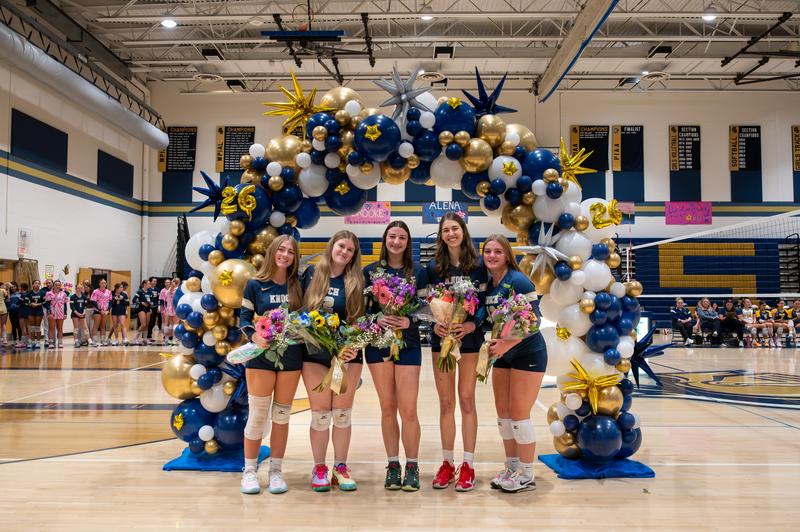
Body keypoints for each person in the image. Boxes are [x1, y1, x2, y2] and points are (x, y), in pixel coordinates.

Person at [477, 234, 547, 493]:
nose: (492, 255)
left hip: (529, 353)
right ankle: (511, 466)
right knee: (504, 415)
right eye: (488, 251)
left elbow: (536, 320)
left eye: (497, 251)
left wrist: (507, 343)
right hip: (504, 356)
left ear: (507, 255)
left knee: (519, 415)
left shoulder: (517, 280)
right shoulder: (489, 285)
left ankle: (527, 474)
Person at [363, 221, 428, 492]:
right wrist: (378, 318)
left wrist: (408, 323)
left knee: (408, 409)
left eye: (402, 237)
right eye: (392, 236)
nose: (397, 241)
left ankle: (412, 465)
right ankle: (393, 465)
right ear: (385, 239)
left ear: (408, 242)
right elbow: (361, 312)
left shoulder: (419, 273)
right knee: (387, 408)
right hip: (378, 346)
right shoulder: (370, 272)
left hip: (409, 345)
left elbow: (428, 311)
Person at [425, 212, 487, 491]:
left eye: (455, 228)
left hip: (470, 342)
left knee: (466, 400)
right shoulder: (432, 268)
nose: (450, 233)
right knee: (446, 403)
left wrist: (474, 323)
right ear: (441, 235)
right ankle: (447, 463)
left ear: (463, 231)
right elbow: (423, 304)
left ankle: (468, 465)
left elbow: (487, 303)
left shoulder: (479, 267)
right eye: (445, 230)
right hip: (442, 342)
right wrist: (433, 323)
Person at [238, 235, 305, 495]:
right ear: (272, 252)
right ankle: (249, 471)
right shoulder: (255, 284)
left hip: (291, 356)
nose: (285, 255)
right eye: (281, 250)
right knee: (257, 414)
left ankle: (276, 471)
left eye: (290, 251)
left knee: (281, 415)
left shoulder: (298, 284)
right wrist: (254, 335)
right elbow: (244, 318)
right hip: (261, 357)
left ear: (294, 257)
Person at [301, 230, 365, 492]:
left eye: (350, 250)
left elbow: (362, 322)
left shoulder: (357, 281)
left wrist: (352, 347)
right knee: (320, 415)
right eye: (341, 246)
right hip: (315, 356)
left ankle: (340, 466)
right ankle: (319, 468)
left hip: (346, 358)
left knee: (341, 414)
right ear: (332, 246)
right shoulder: (310, 275)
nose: (345, 252)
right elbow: (300, 315)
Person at [44, 280, 68, 349]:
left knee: (60, 328)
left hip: (60, 312)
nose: (57, 286)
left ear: (60, 286)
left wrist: (65, 313)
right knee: (51, 328)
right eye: (56, 285)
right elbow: (47, 304)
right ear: (53, 285)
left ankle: (60, 342)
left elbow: (65, 304)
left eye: (59, 285)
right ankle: (51, 343)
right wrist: (49, 312)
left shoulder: (64, 294)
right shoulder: (49, 293)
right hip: (52, 312)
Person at [90, 279, 112, 346]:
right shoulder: (95, 291)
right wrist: (100, 310)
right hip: (97, 311)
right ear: (99, 284)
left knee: (103, 326)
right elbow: (94, 301)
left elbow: (110, 302)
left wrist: (108, 310)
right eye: (102, 283)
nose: (103, 284)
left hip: (105, 311)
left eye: (104, 283)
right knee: (96, 325)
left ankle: (103, 340)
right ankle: (94, 341)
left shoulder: (108, 292)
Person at [131, 280, 151, 346]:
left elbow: (150, 300)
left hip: (148, 309)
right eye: (148, 283)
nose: (149, 284)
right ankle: (135, 338)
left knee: (147, 325)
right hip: (141, 309)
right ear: (144, 284)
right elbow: (133, 300)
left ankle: (145, 339)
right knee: (143, 324)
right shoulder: (140, 291)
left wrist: (151, 304)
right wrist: (141, 302)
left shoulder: (149, 291)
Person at [27, 280, 46, 349]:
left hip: (39, 311)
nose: (37, 285)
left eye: (38, 283)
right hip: (30, 311)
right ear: (33, 285)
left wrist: (38, 304)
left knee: (37, 326)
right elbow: (26, 302)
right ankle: (32, 342)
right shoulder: (29, 293)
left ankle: (38, 342)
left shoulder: (42, 293)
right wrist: (30, 304)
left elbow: (45, 302)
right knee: (32, 327)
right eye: (35, 283)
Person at [160, 278, 179, 345]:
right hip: (175, 308)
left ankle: (167, 339)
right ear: (178, 283)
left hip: (168, 308)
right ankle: (174, 339)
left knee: (168, 324)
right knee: (176, 324)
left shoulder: (167, 291)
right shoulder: (178, 290)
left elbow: (165, 300)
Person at [70, 283, 90, 347]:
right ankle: (76, 341)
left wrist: (83, 312)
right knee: (76, 328)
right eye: (78, 288)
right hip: (75, 314)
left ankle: (89, 341)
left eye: (81, 288)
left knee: (85, 328)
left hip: (82, 314)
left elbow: (85, 305)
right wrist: (77, 313)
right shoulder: (73, 297)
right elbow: (72, 306)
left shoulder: (84, 297)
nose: (79, 289)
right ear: (76, 288)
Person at [15, 282, 30, 349]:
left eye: (20, 287)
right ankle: (28, 341)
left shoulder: (22, 295)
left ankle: (23, 342)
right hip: (28, 312)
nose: (19, 288)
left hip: (22, 312)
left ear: (22, 287)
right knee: (27, 327)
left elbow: (18, 303)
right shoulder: (28, 294)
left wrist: (18, 300)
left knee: (23, 327)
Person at [146, 277, 161, 344]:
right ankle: (148, 336)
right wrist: (149, 307)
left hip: (155, 307)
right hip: (149, 308)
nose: (155, 282)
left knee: (153, 321)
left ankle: (150, 336)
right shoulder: (147, 290)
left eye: (156, 281)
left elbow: (159, 299)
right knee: (149, 322)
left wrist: (159, 306)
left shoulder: (157, 290)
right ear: (150, 282)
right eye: (154, 281)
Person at [0, 283, 8, 347]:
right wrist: (7, 290)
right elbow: (8, 298)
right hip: (3, 308)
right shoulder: (2, 290)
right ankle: (4, 339)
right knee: (3, 324)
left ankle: (2, 338)